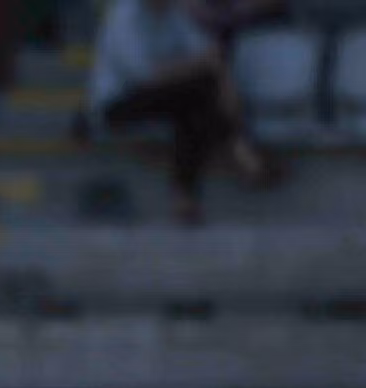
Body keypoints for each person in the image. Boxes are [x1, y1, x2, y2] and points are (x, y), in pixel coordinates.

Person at [86, 0, 273, 224]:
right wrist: (201, 68)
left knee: (194, 106)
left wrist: (225, 84)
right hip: (117, 103)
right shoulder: (124, 15)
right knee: (198, 89)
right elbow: (144, 75)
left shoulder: (174, 14)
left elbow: (208, 52)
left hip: (168, 97)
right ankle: (240, 150)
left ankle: (186, 198)